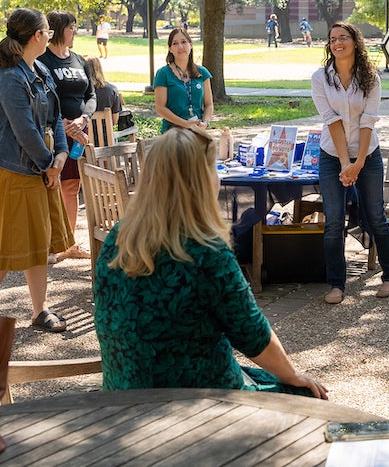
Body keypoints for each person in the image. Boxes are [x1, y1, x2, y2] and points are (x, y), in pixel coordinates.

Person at [93, 127, 328, 398]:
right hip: (195, 401)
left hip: (124, 391)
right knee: (307, 394)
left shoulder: (118, 236)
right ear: (201, 182)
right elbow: (253, 335)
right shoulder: (205, 250)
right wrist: (293, 375)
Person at [0, 8, 73, 333]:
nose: (51, 35)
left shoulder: (38, 68)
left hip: (41, 165)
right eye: (47, 31)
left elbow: (54, 115)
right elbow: (24, 129)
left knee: (38, 239)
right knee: (3, 244)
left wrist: (60, 154)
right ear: (37, 36)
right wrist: (49, 165)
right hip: (12, 169)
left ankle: (39, 310)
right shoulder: (8, 76)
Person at [311, 22, 389, 304]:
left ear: (355, 41)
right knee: (333, 221)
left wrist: (358, 162)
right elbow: (332, 120)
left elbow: (368, 122)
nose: (337, 43)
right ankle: (337, 284)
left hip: (367, 155)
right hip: (331, 156)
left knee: (376, 216)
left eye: (343, 37)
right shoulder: (320, 78)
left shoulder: (370, 77)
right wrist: (343, 164)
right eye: (332, 39)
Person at [38, 10, 95, 261]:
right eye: (72, 27)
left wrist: (84, 119)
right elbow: (43, 97)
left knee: (72, 187)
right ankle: (51, 243)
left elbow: (91, 95)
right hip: (55, 132)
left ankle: (68, 243)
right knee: (51, 186)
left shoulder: (79, 60)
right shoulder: (43, 60)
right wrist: (62, 123)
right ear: (60, 29)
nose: (75, 32)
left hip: (80, 132)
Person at [154, 27, 213, 131]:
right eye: (175, 43)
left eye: (184, 42)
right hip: (172, 133)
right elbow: (160, 108)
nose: (180, 47)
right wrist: (185, 124)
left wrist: (205, 122)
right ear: (170, 49)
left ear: (191, 45)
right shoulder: (163, 74)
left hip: (197, 131)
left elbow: (209, 105)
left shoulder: (203, 73)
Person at [85, 56, 123, 139]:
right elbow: (115, 120)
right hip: (106, 139)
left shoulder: (80, 91)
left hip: (84, 140)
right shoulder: (111, 90)